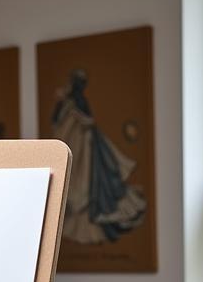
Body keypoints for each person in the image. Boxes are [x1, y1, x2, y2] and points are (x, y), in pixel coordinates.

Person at [50, 68, 147, 245]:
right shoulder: (68, 103)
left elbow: (87, 121)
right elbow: (57, 122)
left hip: (84, 152)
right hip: (75, 149)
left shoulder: (77, 102)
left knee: (87, 184)